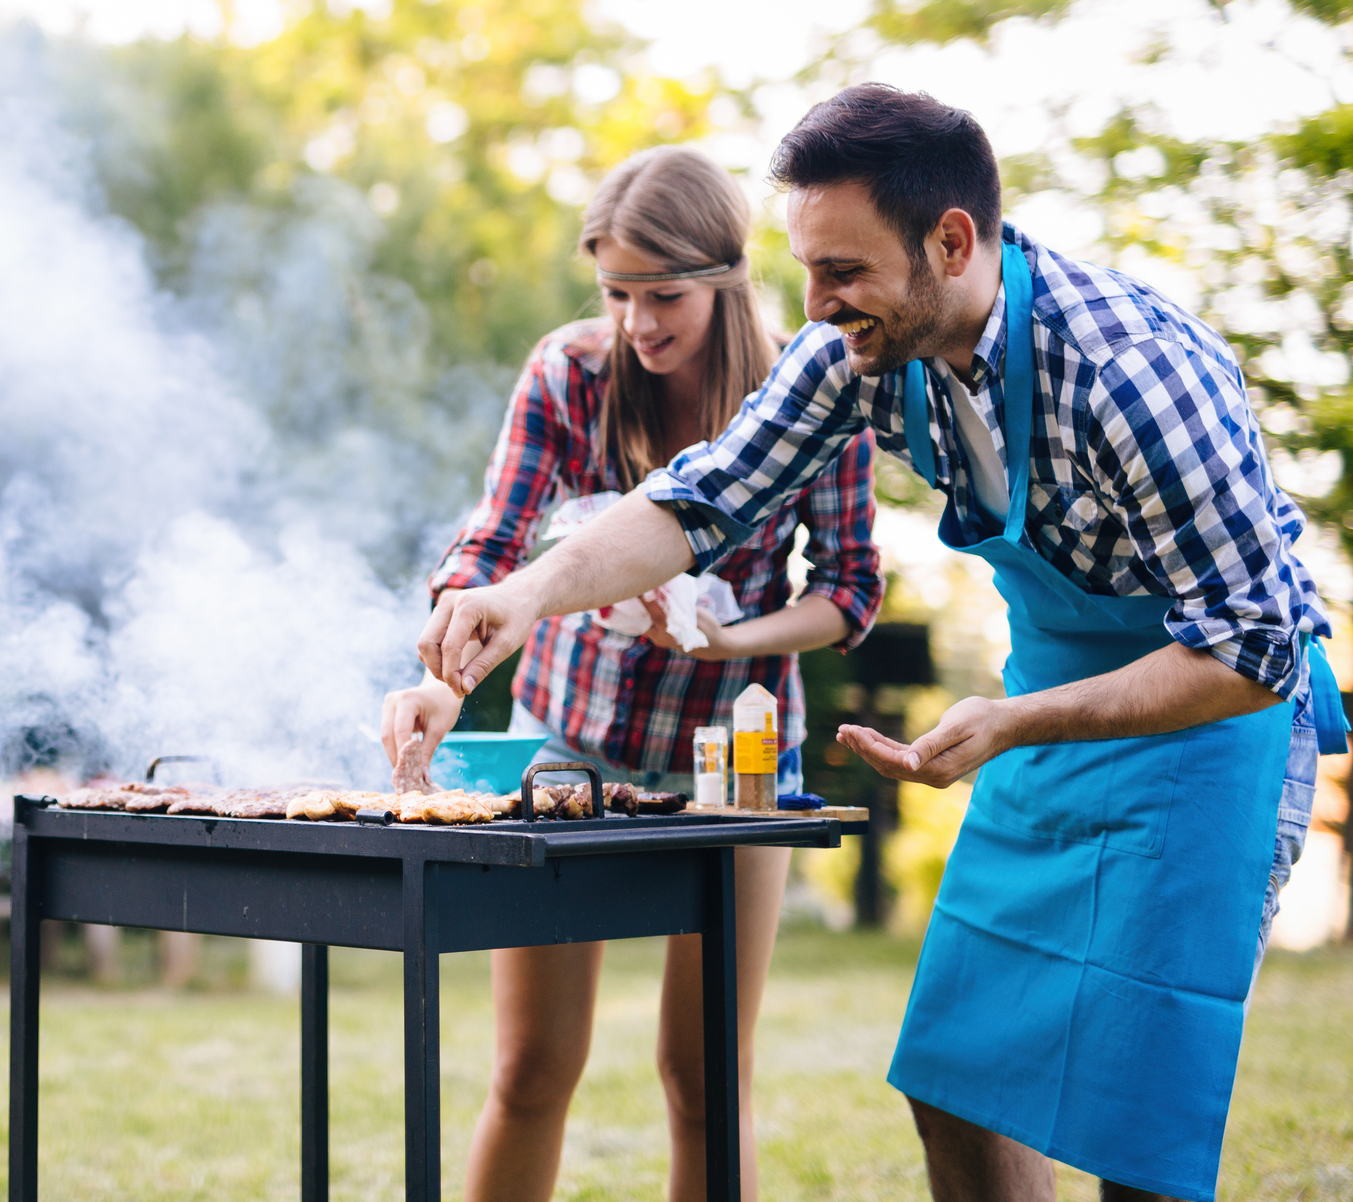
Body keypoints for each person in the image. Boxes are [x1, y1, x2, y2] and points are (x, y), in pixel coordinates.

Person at [419, 85, 1348, 1202]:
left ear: (948, 243)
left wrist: (1015, 721)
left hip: (1210, 720)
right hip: (1044, 706)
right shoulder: (854, 356)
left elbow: (1251, 649)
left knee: (1128, 1120)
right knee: (955, 1078)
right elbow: (698, 501)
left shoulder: (1130, 373)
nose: (813, 304)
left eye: (842, 271)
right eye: (807, 269)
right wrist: (525, 595)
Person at [380, 147, 882, 1202]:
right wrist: (440, 675)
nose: (637, 323)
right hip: (566, 739)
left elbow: (846, 591)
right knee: (529, 1071)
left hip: (733, 759)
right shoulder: (568, 373)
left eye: (664, 296)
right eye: (616, 293)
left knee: (702, 1077)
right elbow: (491, 547)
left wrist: (726, 642)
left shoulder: (809, 391)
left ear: (725, 280)